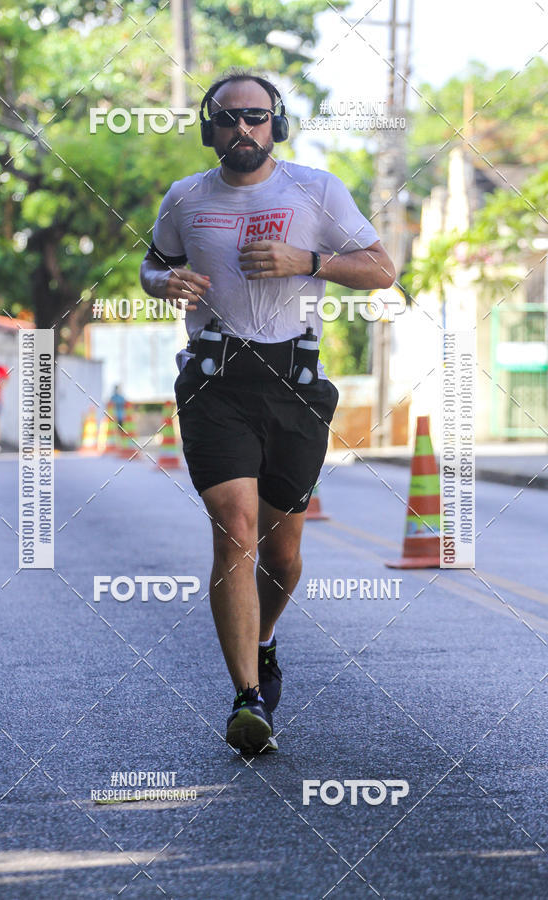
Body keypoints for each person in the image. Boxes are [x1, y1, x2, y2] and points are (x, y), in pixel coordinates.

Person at [140, 70, 395, 755]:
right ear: (209, 129)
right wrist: (167, 281)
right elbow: (151, 264)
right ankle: (248, 700)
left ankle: (265, 638)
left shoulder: (315, 190)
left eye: (255, 117)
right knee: (235, 526)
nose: (242, 129)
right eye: (227, 119)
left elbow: (382, 268)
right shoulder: (186, 197)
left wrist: (305, 259)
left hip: (294, 382)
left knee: (282, 556)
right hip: (214, 380)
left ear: (275, 123)